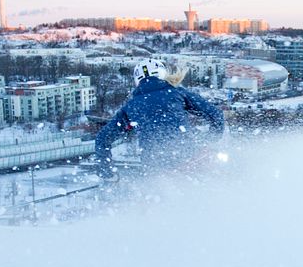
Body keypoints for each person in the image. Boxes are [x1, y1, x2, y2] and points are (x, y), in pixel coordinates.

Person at [94, 58, 225, 177]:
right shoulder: (177, 93)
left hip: (157, 169)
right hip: (190, 157)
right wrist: (209, 139)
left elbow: (102, 139)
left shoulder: (130, 107)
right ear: (163, 75)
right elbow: (216, 115)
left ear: (137, 82)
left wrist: (107, 173)